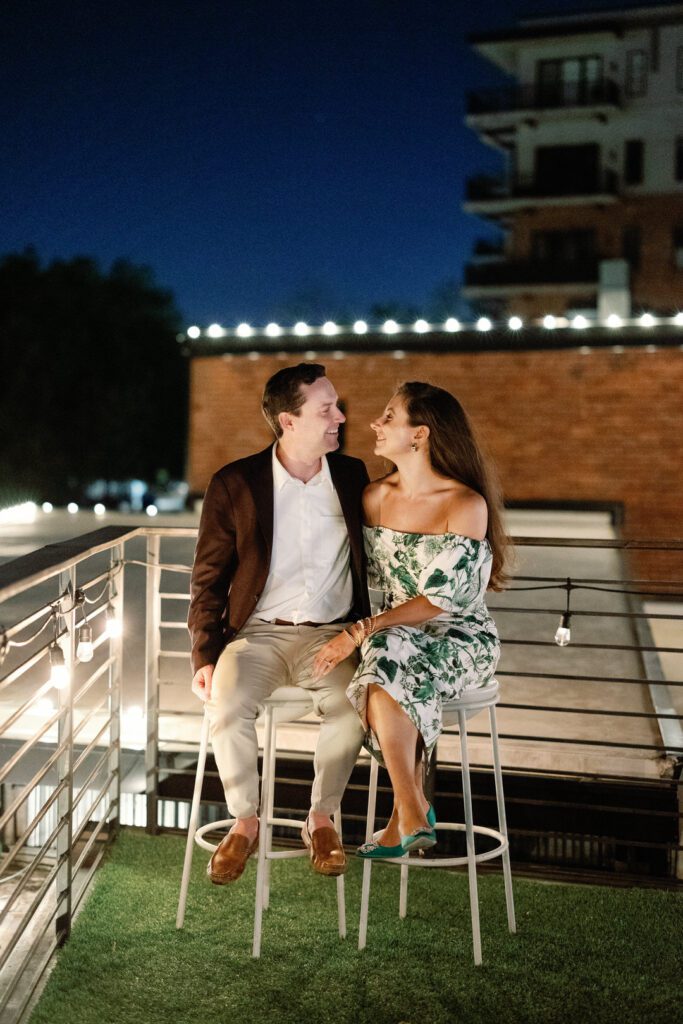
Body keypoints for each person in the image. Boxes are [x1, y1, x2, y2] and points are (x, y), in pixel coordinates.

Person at [188, 363, 370, 884]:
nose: (339, 417)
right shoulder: (235, 482)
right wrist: (205, 654)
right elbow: (208, 579)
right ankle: (245, 821)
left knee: (354, 706)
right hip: (257, 634)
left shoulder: (353, 477)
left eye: (336, 406)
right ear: (289, 421)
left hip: (331, 636)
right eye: (326, 409)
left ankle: (320, 819)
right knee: (226, 703)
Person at [313, 381, 509, 857]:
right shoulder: (374, 497)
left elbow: (440, 601)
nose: (375, 425)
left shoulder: (465, 503)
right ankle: (413, 808)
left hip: (460, 635)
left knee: (383, 649)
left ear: (419, 434)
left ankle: (407, 813)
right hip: (395, 634)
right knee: (387, 651)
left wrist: (359, 631)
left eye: (388, 417)